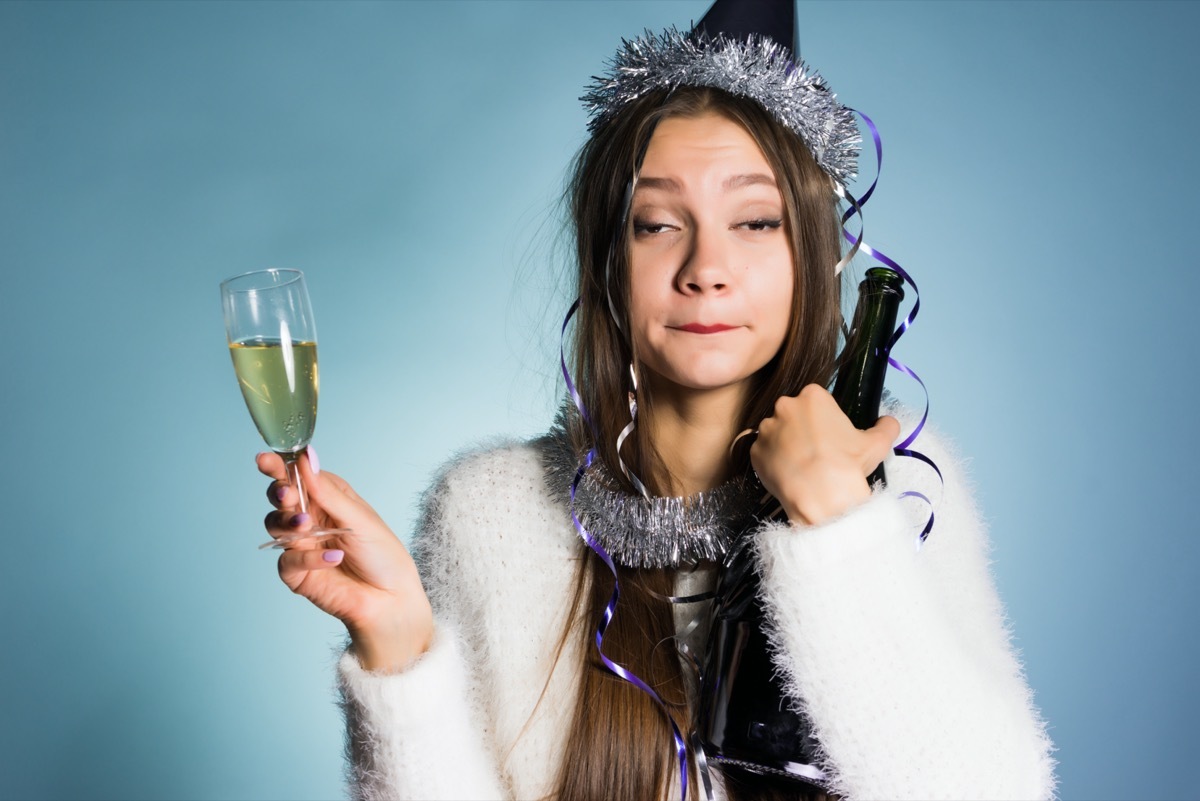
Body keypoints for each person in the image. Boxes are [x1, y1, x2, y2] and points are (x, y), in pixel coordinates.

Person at [254, 2, 1056, 799]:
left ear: (811, 254)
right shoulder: (490, 511)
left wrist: (838, 526)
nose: (706, 268)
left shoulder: (901, 485)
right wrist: (399, 656)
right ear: (607, 258)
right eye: (658, 223)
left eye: (754, 221)